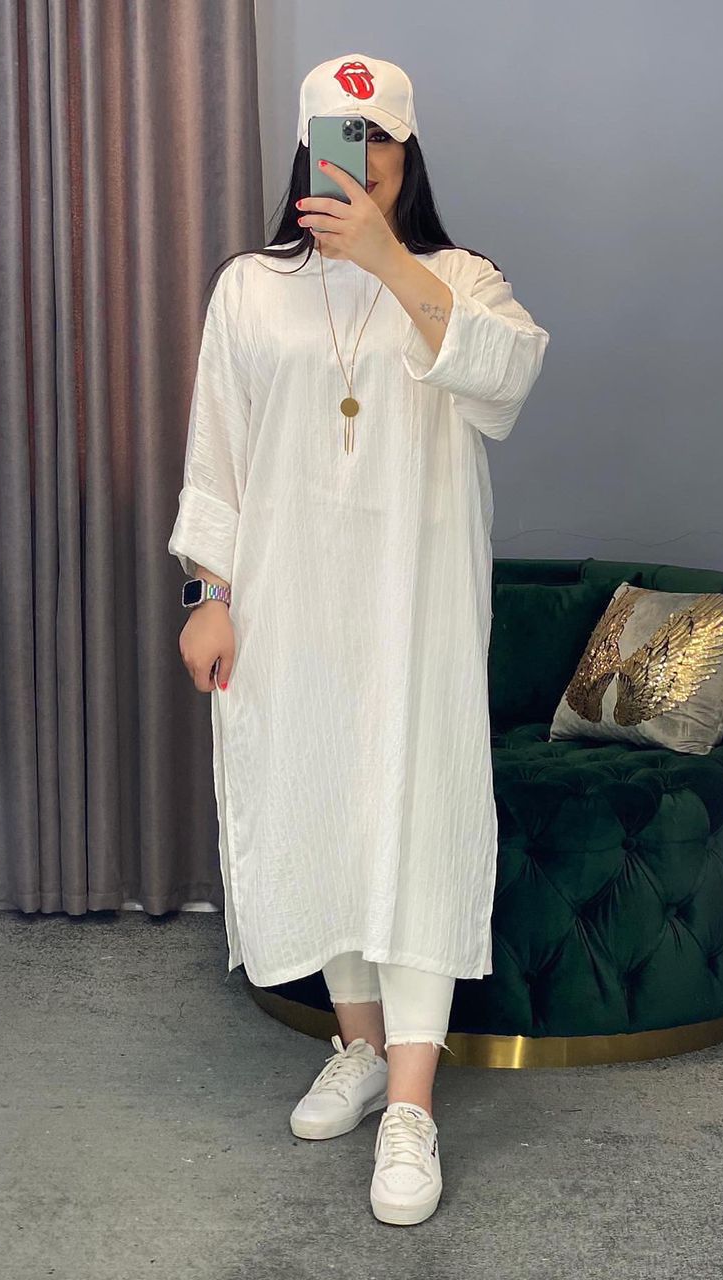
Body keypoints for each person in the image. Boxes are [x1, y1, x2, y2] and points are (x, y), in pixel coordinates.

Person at [169, 53, 550, 1226]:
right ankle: (363, 1045)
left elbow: (504, 381)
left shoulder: (461, 277)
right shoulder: (250, 289)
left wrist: (385, 258)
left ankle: (413, 1106)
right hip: (289, 606)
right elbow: (217, 455)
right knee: (319, 802)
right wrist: (205, 594)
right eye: (341, 135)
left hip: (417, 605)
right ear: (308, 149)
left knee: (419, 815)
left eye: (380, 136)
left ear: (408, 150)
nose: (363, 156)